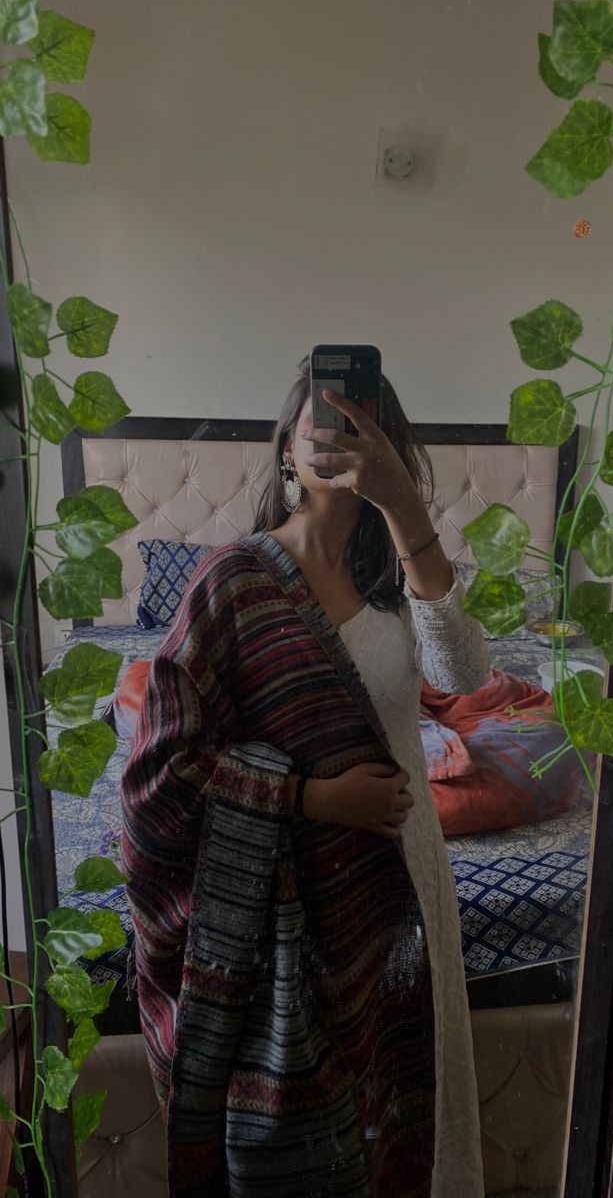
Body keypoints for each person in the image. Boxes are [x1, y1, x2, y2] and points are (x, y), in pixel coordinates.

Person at [120, 355, 491, 1198]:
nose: (338, 439)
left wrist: (403, 508)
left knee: (405, 1112)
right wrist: (311, 798)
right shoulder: (232, 583)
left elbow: (465, 676)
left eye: (364, 425)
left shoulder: (401, 582)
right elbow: (161, 772)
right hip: (286, 906)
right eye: (319, 423)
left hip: (405, 886)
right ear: (287, 450)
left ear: (392, 446)